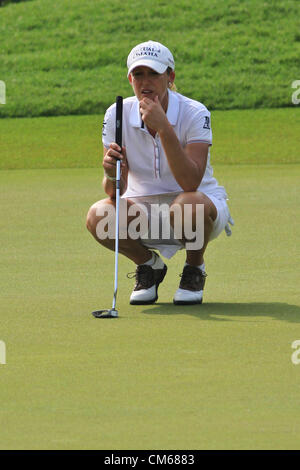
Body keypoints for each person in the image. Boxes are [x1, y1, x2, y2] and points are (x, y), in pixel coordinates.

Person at [86, 40, 233, 305]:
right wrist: (111, 173)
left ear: (170, 77)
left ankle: (194, 268)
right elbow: (113, 192)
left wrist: (164, 128)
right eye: (138, 74)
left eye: (154, 73)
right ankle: (149, 266)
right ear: (130, 78)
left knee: (190, 203)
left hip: (196, 211)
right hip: (143, 210)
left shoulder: (195, 112)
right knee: (98, 215)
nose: (146, 82)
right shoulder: (116, 114)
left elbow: (190, 182)